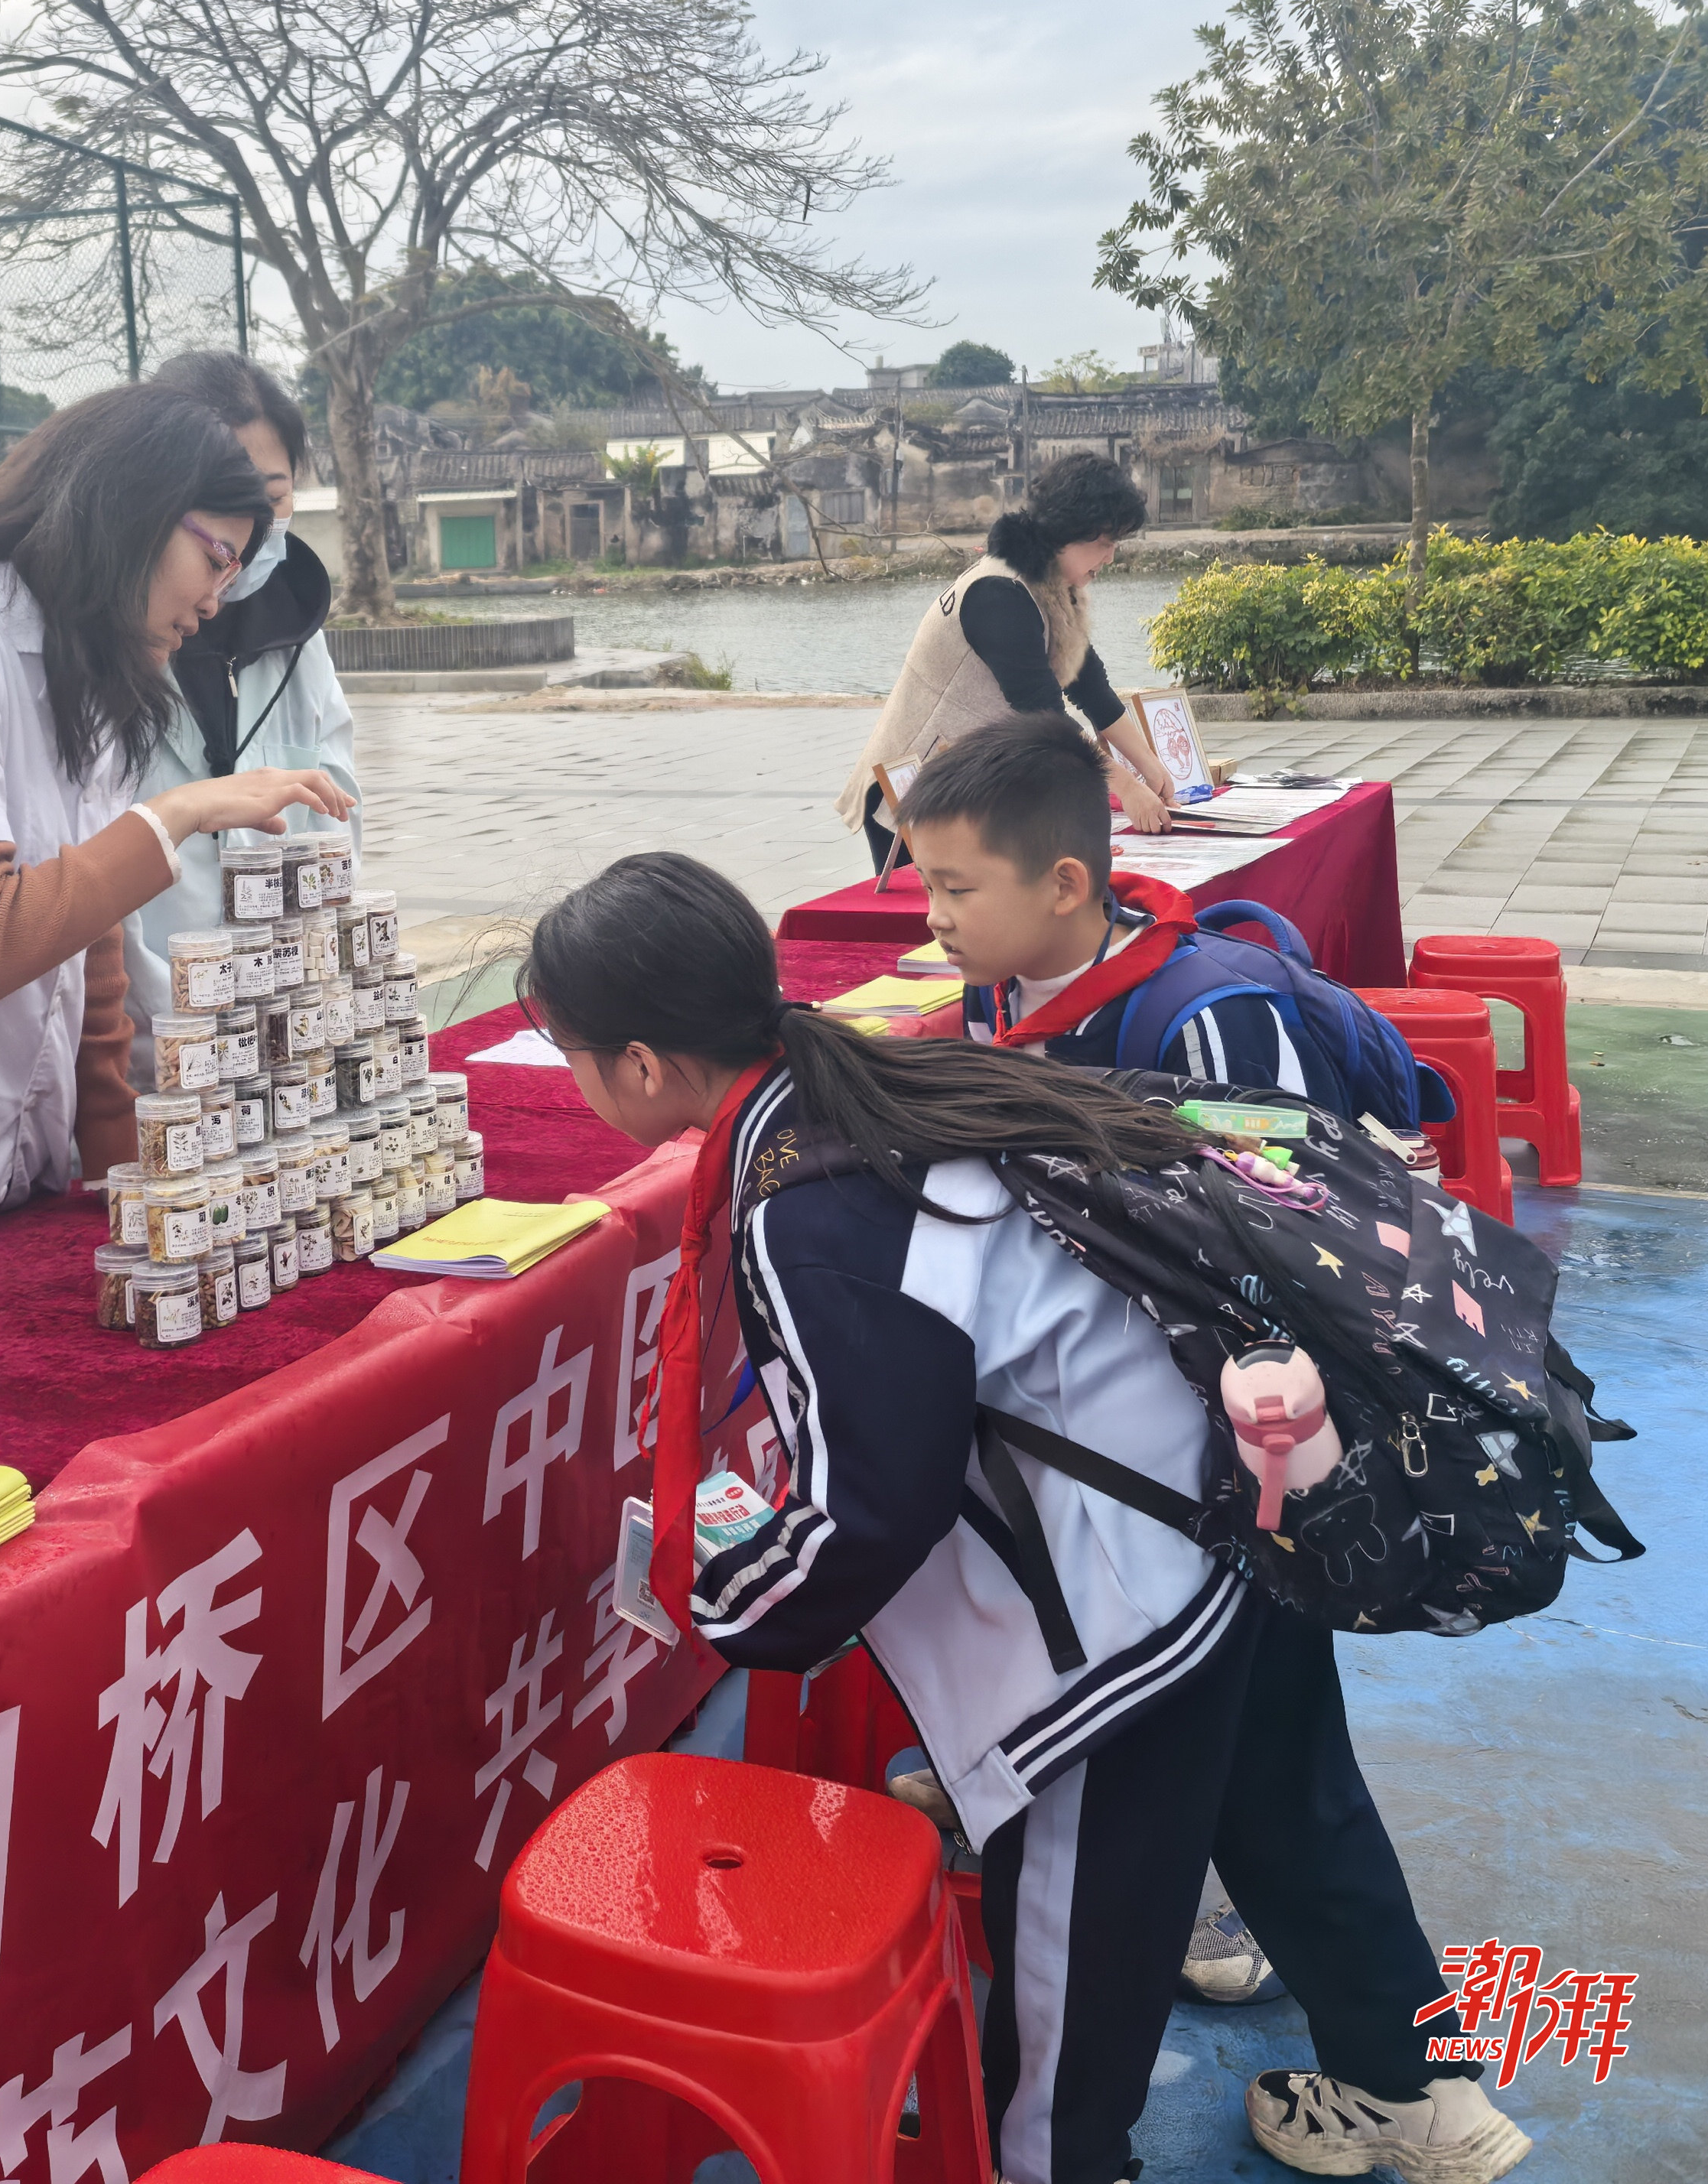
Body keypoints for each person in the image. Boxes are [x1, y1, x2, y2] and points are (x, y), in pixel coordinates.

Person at [517, 852, 1530, 2184]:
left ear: (643, 1065)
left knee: (1066, 1979)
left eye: (570, 1053)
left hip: (1127, 1611)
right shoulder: (880, 1082)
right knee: (1288, 1811)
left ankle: (1056, 2162)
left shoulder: (806, 1204)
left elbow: (873, 1506)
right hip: (1230, 1513)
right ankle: (1413, 2088)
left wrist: (723, 1593)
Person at [0, 385, 353, 1272]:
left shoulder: (93, 671)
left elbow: (93, 950)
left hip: (15, 1177)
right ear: (129, 512)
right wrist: (180, 812)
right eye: (216, 559)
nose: (218, 599)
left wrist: (123, 1175)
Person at [900, 713, 1335, 1104]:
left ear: (1065, 887)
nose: (935, 917)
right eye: (928, 888)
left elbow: (1268, 1164)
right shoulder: (991, 985)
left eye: (956, 889)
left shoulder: (1204, 1023)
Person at [123, 350, 358, 1050]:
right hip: (147, 1043)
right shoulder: (106, 650)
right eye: (225, 503)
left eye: (271, 499)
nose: (249, 534)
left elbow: (337, 833)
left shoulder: (296, 633)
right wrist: (178, 1033)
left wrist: (312, 1008)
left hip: (284, 1037)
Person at [838, 452, 1178, 872]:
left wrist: (1150, 767)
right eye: (1105, 544)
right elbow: (1047, 717)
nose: (1110, 557)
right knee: (946, 908)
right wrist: (1125, 788)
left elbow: (1090, 688)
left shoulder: (1051, 583)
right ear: (1069, 531)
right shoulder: (998, 594)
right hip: (915, 789)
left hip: (972, 783)